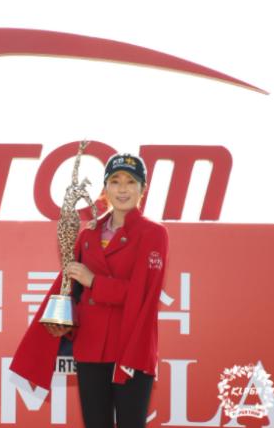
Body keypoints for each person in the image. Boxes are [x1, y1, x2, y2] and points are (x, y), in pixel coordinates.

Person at [10, 153, 169, 428]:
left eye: (130, 182)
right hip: (91, 347)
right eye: (115, 181)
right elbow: (75, 293)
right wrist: (64, 324)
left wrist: (94, 281)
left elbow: (142, 295)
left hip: (131, 347)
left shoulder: (153, 233)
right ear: (105, 189)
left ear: (142, 189)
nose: (122, 189)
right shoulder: (88, 234)